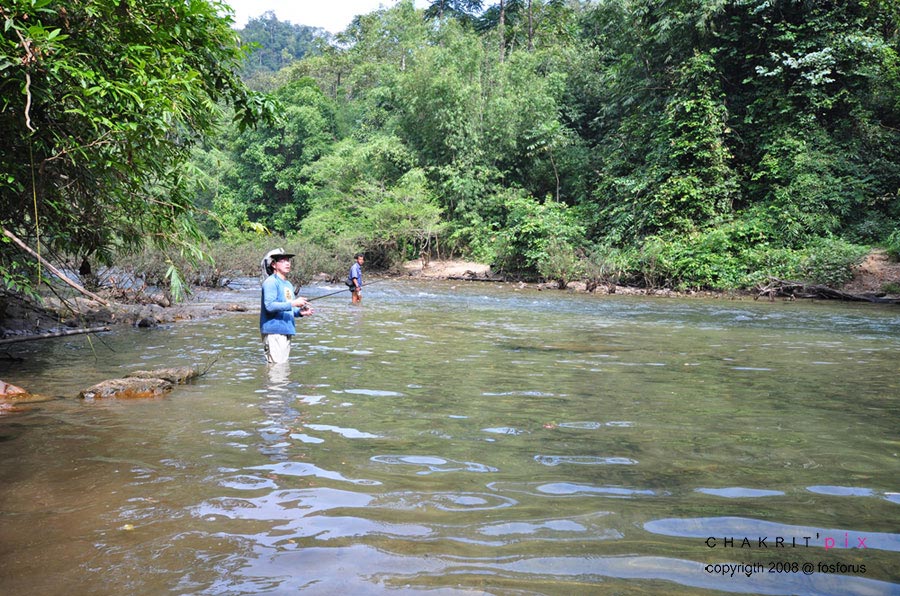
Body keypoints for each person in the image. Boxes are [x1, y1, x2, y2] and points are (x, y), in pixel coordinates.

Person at [259, 248, 312, 364]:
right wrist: (293, 303)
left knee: (281, 367)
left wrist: (300, 312)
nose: (287, 263)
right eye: (282, 261)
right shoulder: (270, 282)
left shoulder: (288, 284)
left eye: (288, 261)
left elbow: (288, 308)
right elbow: (269, 306)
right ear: (273, 264)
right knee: (276, 368)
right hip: (274, 331)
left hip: (286, 329)